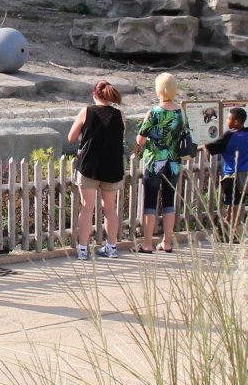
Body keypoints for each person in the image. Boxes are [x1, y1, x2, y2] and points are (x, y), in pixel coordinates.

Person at [69, 79, 126, 260]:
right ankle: (111, 247)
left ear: (94, 94)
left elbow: (71, 137)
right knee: (110, 208)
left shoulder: (86, 112)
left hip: (89, 166)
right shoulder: (120, 115)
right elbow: (119, 137)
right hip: (112, 166)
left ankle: (83, 249)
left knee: (87, 208)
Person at [131, 72, 187, 253]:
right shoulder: (181, 113)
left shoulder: (154, 112)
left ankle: (147, 244)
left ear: (159, 89)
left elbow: (140, 139)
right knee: (169, 201)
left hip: (155, 161)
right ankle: (167, 242)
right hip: (174, 162)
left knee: (150, 202)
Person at [204, 106, 248, 243]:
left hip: (230, 176)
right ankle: (224, 230)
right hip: (244, 176)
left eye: (229, 118)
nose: (227, 121)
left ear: (236, 122)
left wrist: (199, 149)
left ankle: (231, 233)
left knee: (233, 206)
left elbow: (210, 147)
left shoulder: (229, 136)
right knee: (236, 206)